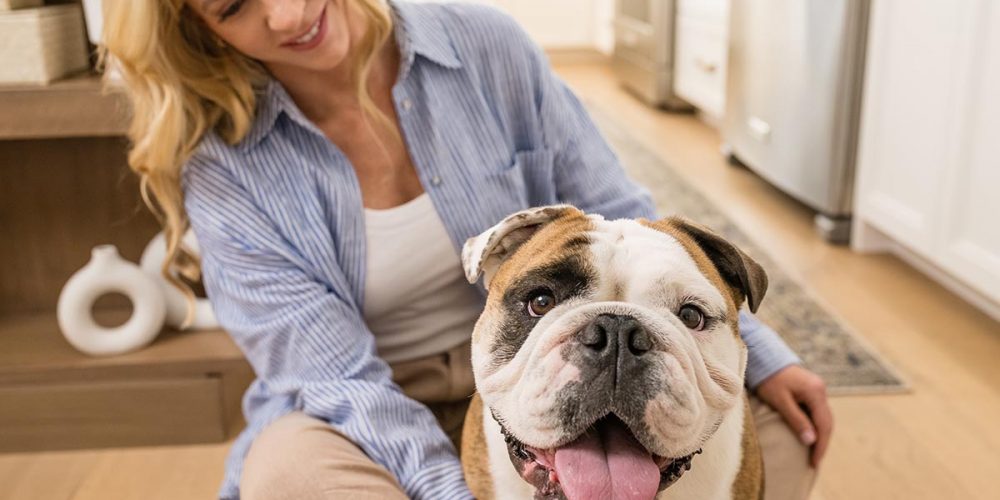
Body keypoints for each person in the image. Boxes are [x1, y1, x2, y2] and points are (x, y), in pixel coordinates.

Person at [101, 1, 833, 499]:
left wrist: (767, 357)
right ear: (199, 29)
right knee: (292, 481)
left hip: (551, 356)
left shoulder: (483, 43)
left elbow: (626, 216)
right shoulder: (223, 168)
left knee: (785, 434)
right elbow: (336, 378)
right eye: (234, 6)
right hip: (375, 392)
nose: (288, 13)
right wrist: (460, 489)